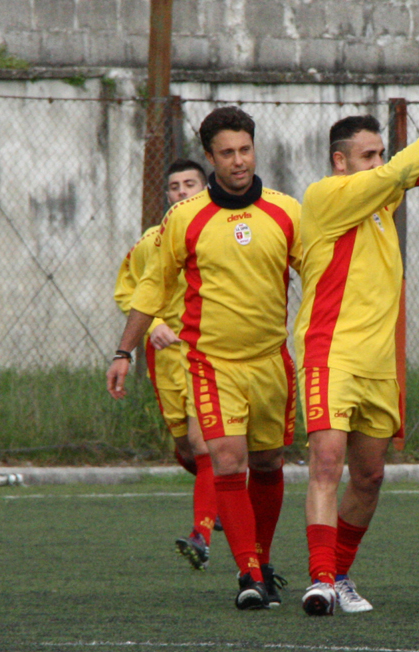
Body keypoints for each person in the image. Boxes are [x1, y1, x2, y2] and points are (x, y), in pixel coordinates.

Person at [294, 75, 419, 616]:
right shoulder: (327, 196)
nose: (379, 161)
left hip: (379, 362)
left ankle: (342, 573)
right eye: (367, 155)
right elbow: (404, 168)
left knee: (370, 476)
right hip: (331, 351)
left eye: (380, 153)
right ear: (340, 161)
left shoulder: (381, 194)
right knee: (327, 463)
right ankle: (321, 580)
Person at [107, 107, 302, 611]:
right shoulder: (185, 218)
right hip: (211, 363)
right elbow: (153, 286)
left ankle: (261, 556)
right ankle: (250, 573)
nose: (238, 161)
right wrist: (124, 349)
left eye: (245, 150)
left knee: (268, 463)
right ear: (211, 158)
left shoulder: (287, 212)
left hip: (271, 362)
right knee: (227, 461)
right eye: (227, 153)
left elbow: (322, 274)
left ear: (254, 150)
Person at [113, 158, 223, 573]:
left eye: (189, 184)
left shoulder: (220, 234)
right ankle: (223, 497)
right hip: (166, 362)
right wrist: (153, 325)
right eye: (174, 186)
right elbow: (127, 290)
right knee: (185, 449)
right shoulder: (151, 241)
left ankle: (202, 535)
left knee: (202, 442)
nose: (180, 192)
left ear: (205, 187)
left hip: (209, 354)